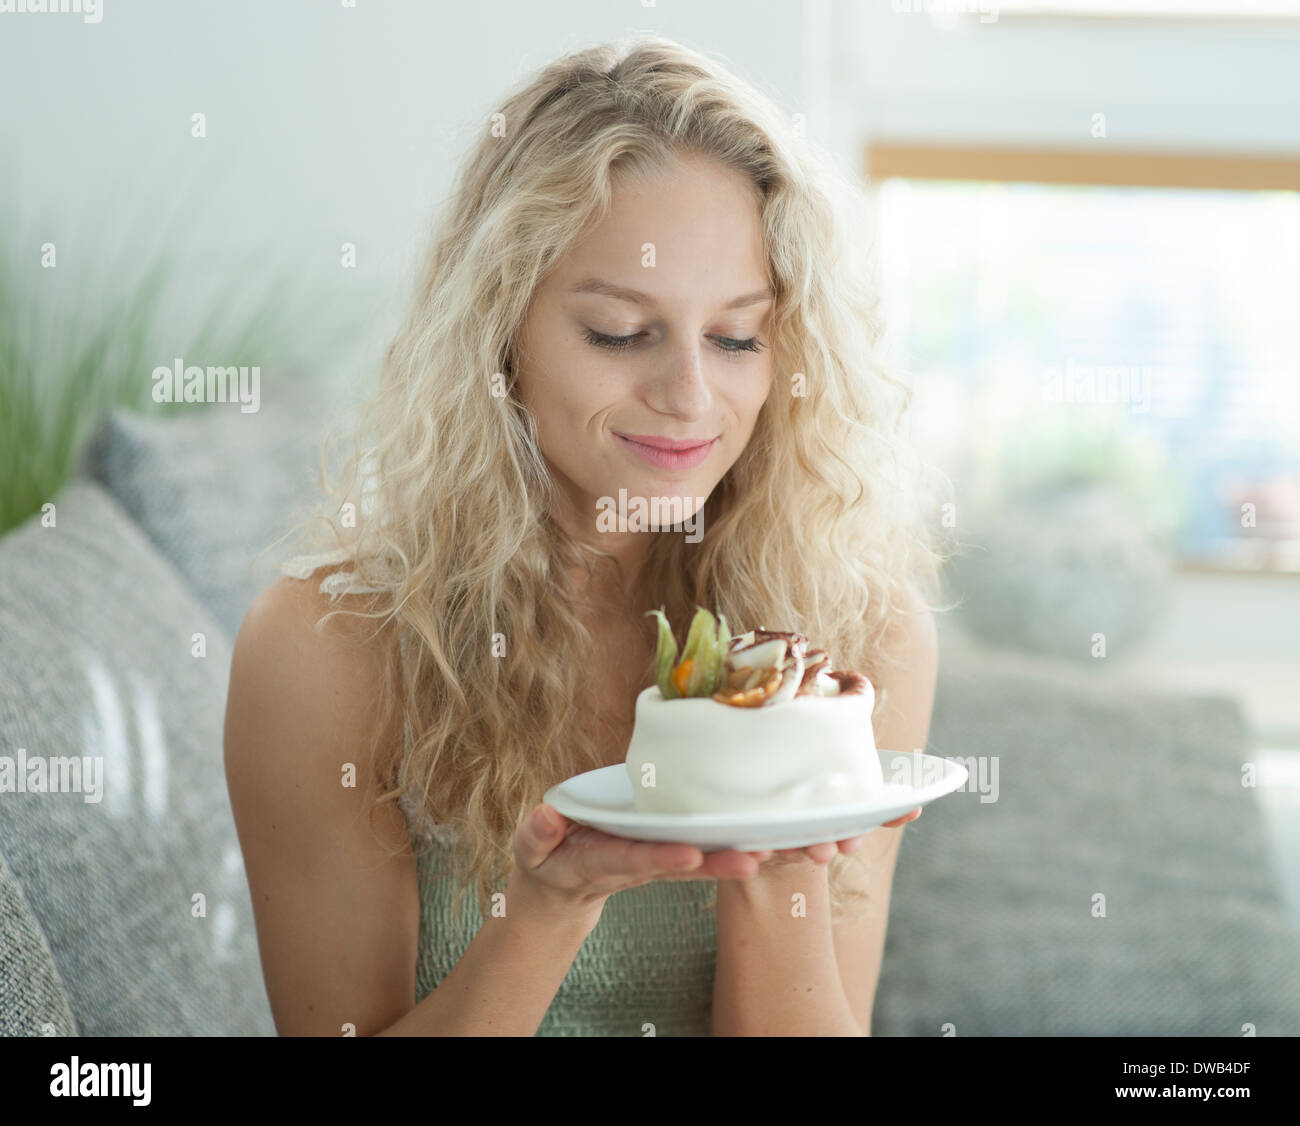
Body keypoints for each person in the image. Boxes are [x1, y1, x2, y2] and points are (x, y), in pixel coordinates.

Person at [223, 33, 943, 1038]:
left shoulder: (861, 636)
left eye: (737, 337)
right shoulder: (325, 651)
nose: (691, 397)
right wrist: (548, 905)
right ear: (499, 332)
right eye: (619, 332)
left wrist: (782, 862)